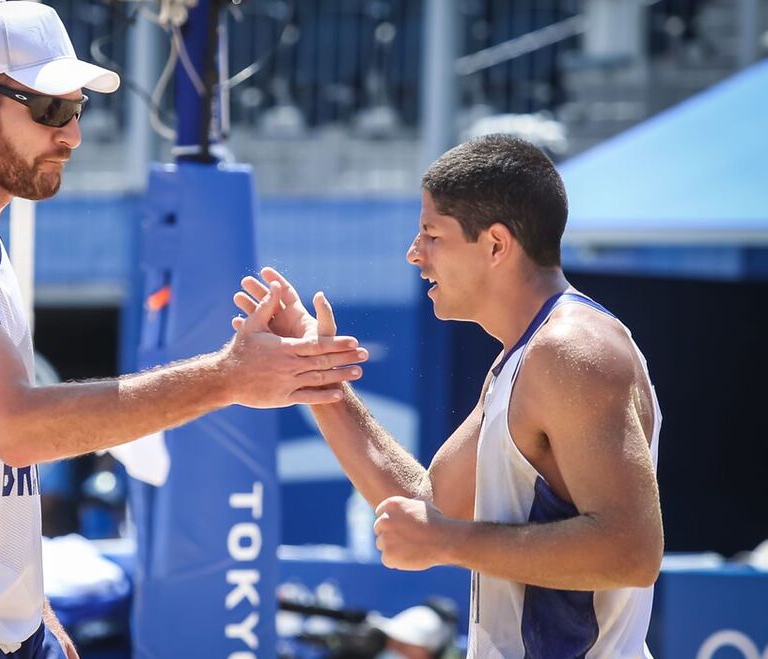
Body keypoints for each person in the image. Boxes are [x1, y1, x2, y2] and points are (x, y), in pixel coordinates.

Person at [0, 3, 367, 659]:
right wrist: (228, 378)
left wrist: (29, 607)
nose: (74, 133)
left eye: (78, 107)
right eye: (50, 109)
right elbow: (20, 429)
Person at [233, 135, 663, 657]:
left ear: (497, 245)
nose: (414, 253)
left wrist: (445, 542)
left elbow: (630, 552)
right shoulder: (523, 356)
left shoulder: (573, 350)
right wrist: (320, 378)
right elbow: (431, 507)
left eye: (431, 234)